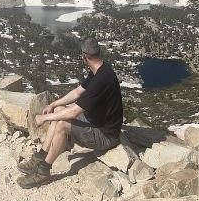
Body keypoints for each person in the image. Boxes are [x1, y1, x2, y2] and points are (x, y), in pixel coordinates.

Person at [17, 37, 124, 189]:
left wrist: (44, 118)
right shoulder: (100, 70)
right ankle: (40, 156)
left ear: (84, 56)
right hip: (95, 122)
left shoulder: (101, 79)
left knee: (62, 124)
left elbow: (73, 112)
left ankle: (44, 171)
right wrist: (54, 104)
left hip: (106, 135)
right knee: (59, 111)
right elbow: (77, 92)